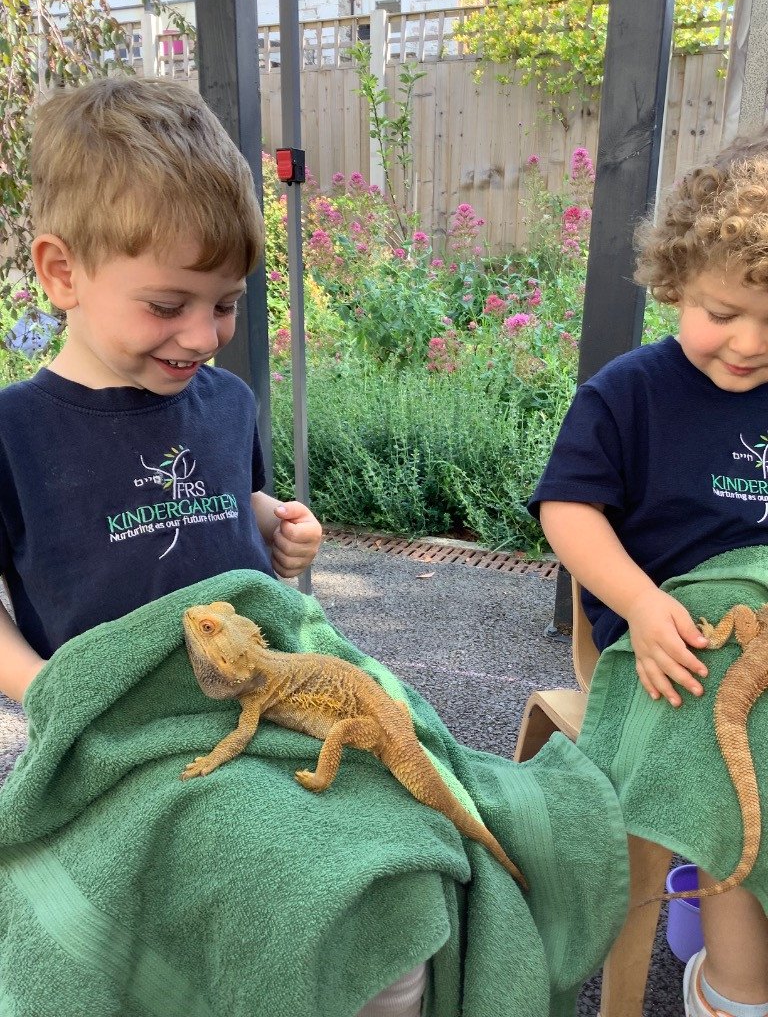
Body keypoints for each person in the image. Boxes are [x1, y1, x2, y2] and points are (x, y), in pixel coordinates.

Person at [0, 75, 427, 1017]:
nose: (203, 335)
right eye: (167, 304)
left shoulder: (227, 404)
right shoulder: (14, 434)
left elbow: (237, 530)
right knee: (254, 904)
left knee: (391, 896)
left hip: (259, 705)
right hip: (115, 737)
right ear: (61, 272)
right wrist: (43, 686)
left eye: (226, 303)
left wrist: (280, 535)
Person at [529, 130, 768, 1017]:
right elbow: (569, 509)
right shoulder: (631, 391)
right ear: (674, 282)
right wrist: (640, 600)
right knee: (733, 730)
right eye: (720, 310)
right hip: (673, 643)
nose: (746, 343)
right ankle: (737, 989)